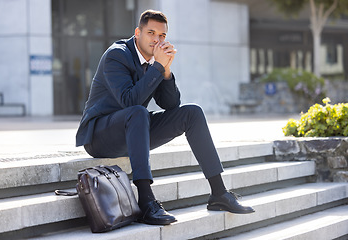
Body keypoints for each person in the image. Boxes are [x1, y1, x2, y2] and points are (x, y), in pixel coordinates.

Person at [76, 9, 254, 226]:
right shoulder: (117, 55)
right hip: (100, 135)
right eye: (151, 33)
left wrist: (166, 71)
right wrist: (158, 66)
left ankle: (219, 193)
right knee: (138, 112)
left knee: (192, 113)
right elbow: (129, 100)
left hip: (134, 129)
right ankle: (147, 201)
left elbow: (171, 105)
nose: (156, 40)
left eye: (162, 36)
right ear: (137, 33)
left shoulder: (155, 60)